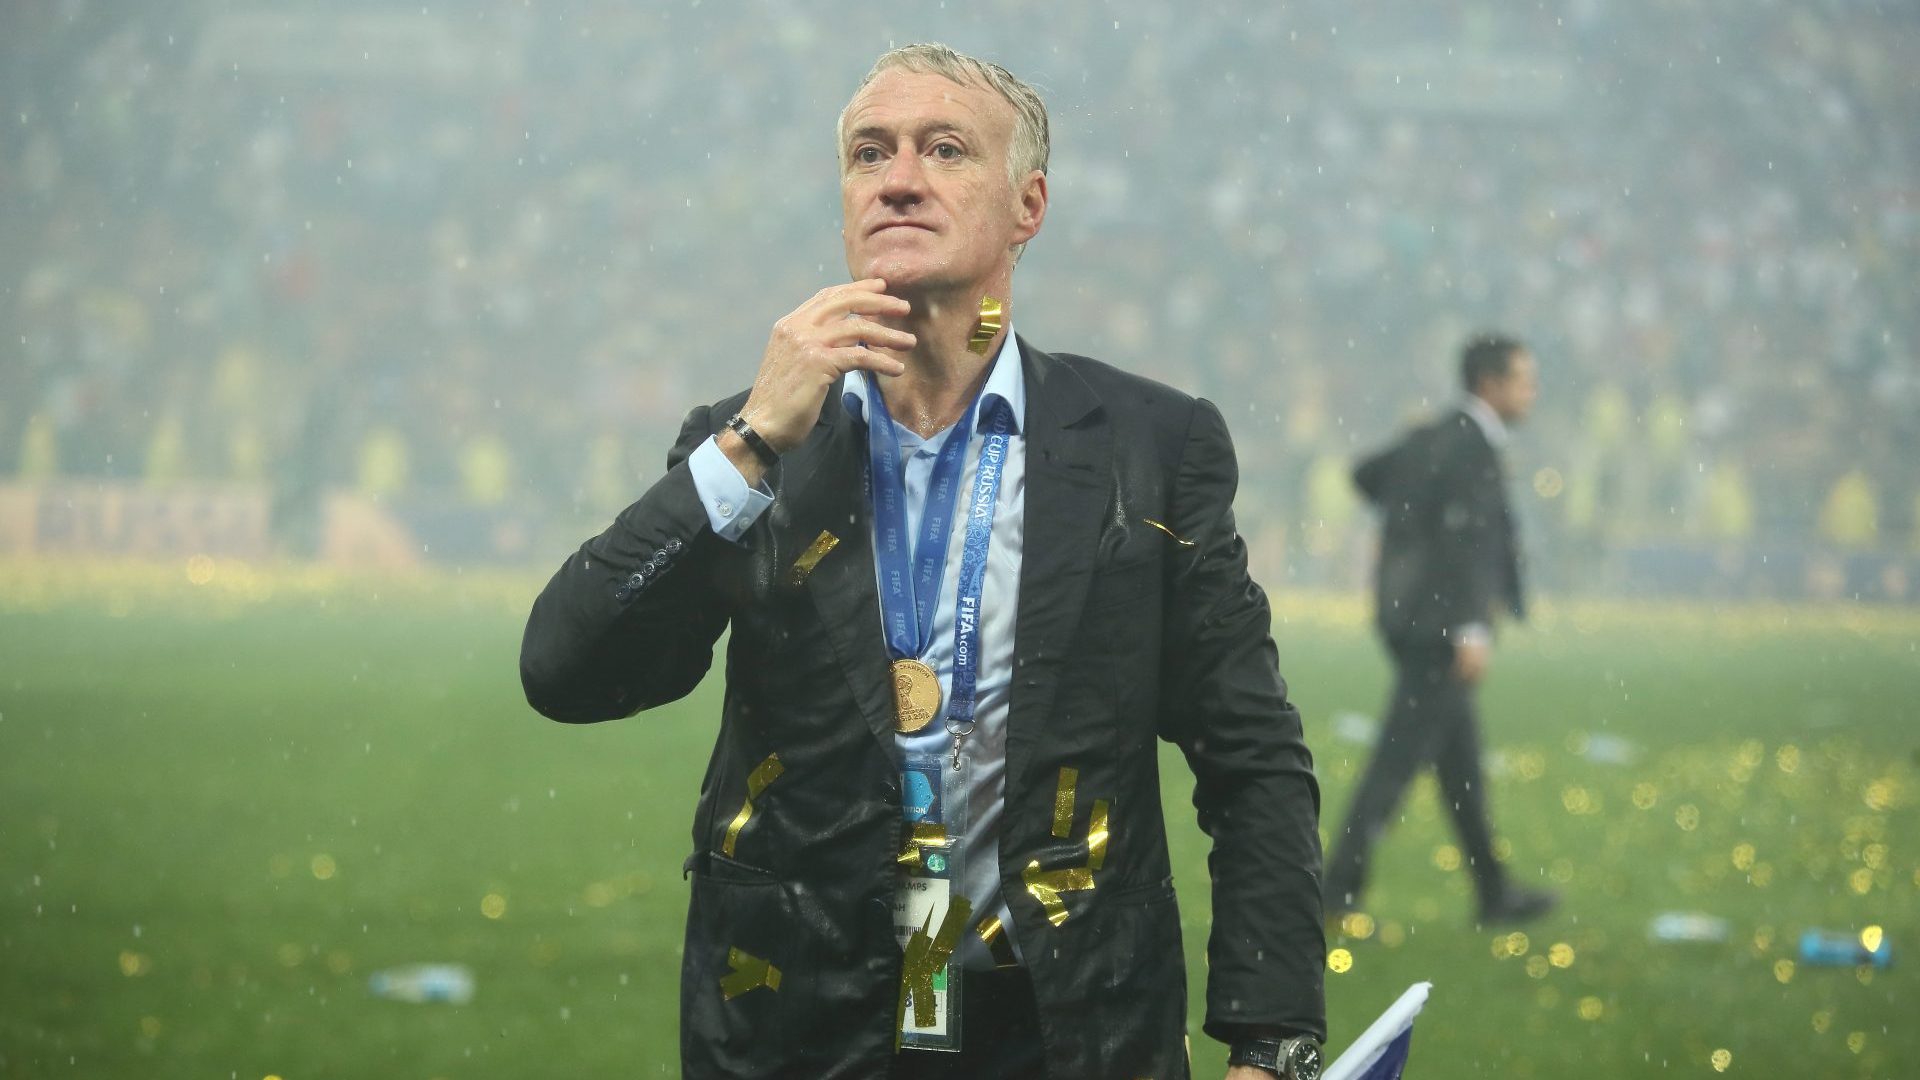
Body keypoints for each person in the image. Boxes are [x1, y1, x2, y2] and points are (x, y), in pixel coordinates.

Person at [520, 43, 1326, 1080]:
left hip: (1065, 1025)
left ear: (1027, 207)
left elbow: (1250, 753)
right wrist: (753, 441)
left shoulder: (1144, 448)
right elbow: (568, 672)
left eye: (944, 149)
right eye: (869, 154)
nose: (897, 178)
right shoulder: (756, 446)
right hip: (807, 1025)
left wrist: (1275, 1042)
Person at [1324, 334, 1556, 927]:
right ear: (1490, 384)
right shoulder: (1467, 446)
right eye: (1524, 380)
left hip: (1420, 621)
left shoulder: (1436, 436)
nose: (1532, 392)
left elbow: (1366, 475)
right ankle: (1335, 889)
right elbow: (1466, 543)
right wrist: (1469, 627)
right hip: (1442, 631)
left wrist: (1408, 524)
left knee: (1462, 770)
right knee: (1395, 766)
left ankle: (1493, 891)